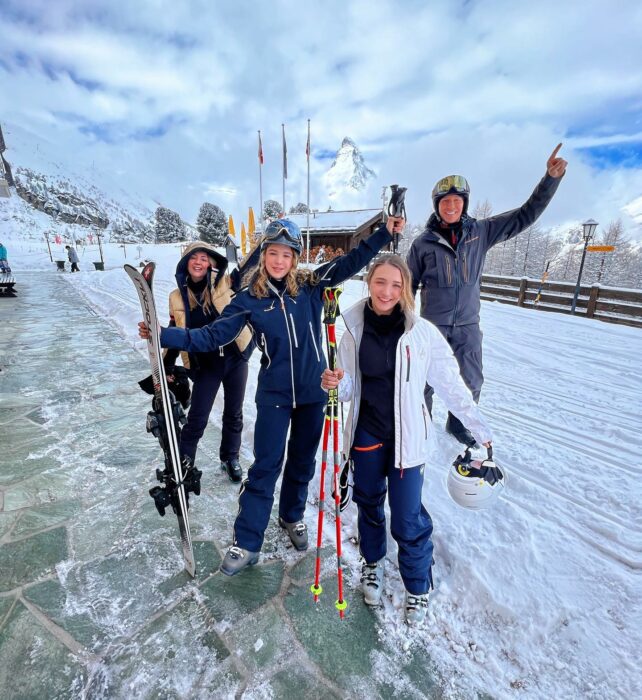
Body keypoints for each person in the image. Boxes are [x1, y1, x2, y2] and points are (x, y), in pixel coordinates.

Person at [139, 217, 399, 575]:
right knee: (265, 467)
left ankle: (291, 517)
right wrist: (164, 335)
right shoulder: (249, 299)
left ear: (295, 257)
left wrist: (384, 233)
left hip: (313, 392)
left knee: (302, 464)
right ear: (263, 256)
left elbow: (351, 261)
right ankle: (247, 541)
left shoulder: (311, 285)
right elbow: (212, 336)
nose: (279, 261)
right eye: (272, 253)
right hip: (274, 395)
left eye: (286, 254)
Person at [321, 255, 493, 625]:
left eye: (396, 285)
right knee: (368, 505)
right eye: (380, 282)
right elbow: (351, 386)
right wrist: (337, 382)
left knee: (407, 516)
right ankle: (373, 564)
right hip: (366, 433)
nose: (387, 292)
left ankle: (417, 585)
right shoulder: (350, 324)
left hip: (409, 439)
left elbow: (451, 386)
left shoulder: (422, 333)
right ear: (369, 282)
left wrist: (481, 431)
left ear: (406, 289)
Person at [407, 144, 567, 447]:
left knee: (471, 380)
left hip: (467, 325)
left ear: (464, 204)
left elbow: (525, 215)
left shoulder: (482, 232)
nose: (451, 206)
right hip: (433, 326)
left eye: (456, 200)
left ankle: (458, 422)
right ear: (436, 205)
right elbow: (408, 287)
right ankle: (421, 421)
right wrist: (406, 324)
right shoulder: (422, 244)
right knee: (424, 379)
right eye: (445, 201)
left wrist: (550, 179)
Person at [162, 242, 258, 483]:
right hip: (206, 364)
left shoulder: (225, 284)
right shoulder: (176, 296)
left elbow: (250, 267)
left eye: (204, 258)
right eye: (193, 257)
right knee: (198, 417)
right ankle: (184, 462)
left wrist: (267, 239)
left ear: (211, 264)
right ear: (185, 263)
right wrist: (166, 366)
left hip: (235, 358)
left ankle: (230, 457)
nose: (198, 262)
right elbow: (176, 330)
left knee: (234, 413)